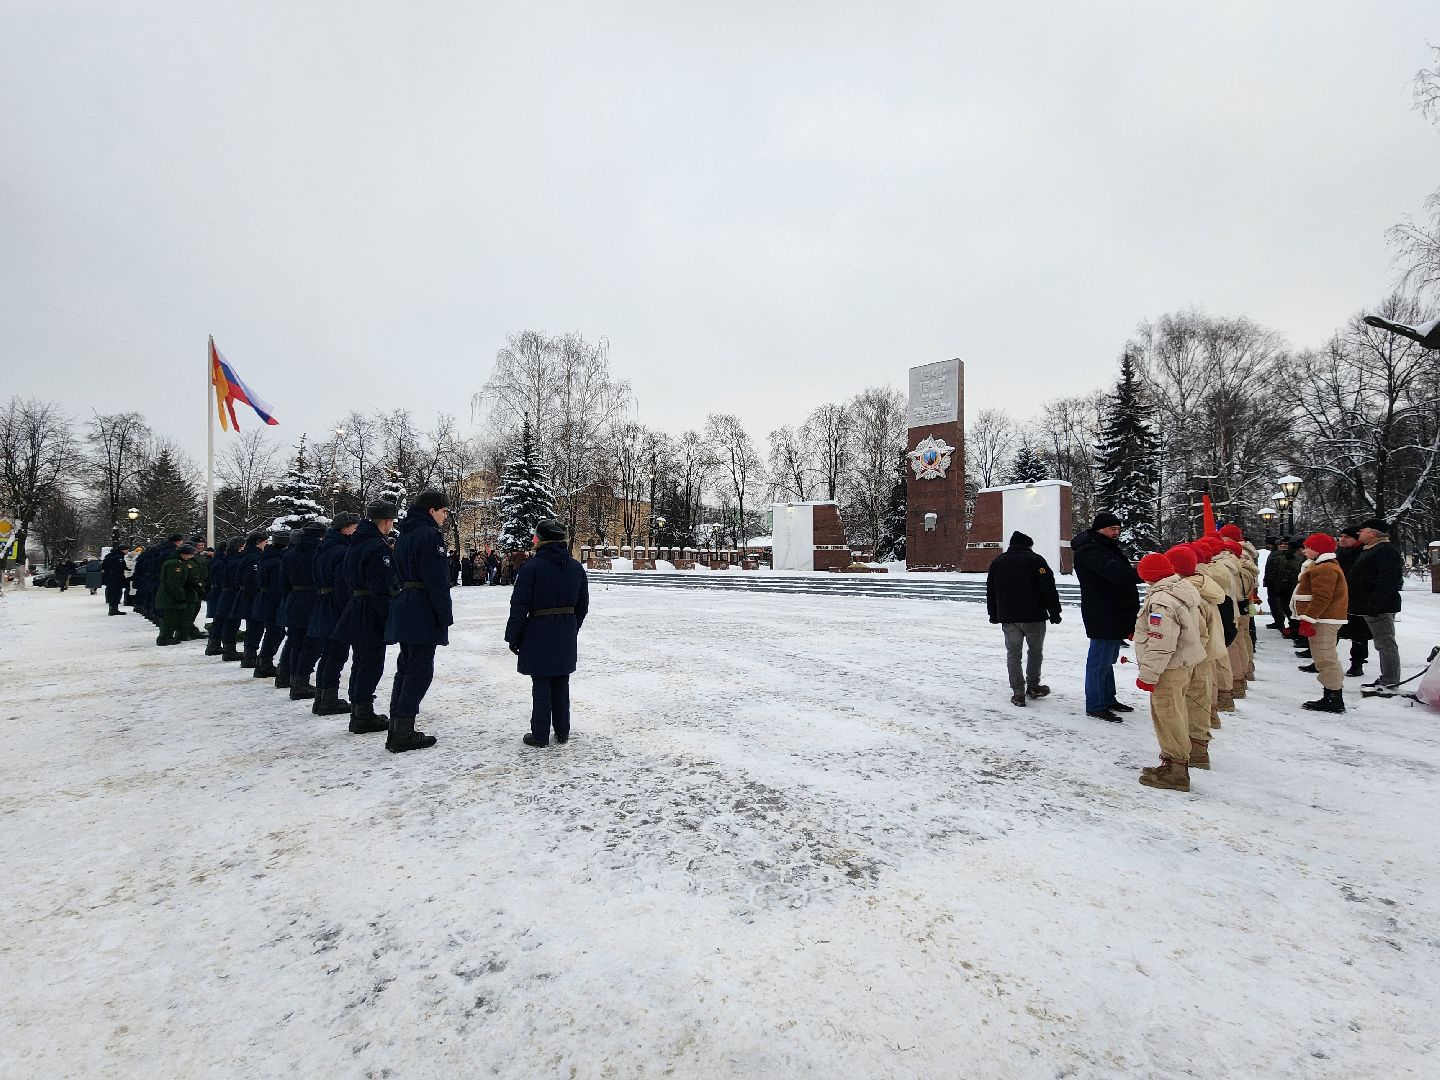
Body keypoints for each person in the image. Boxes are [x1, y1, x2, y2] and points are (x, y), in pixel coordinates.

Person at [506, 518, 589, 747]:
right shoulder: (575, 568)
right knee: (561, 681)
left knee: (541, 682)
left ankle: (540, 734)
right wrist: (572, 627)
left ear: (539, 540)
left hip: (537, 630)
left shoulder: (531, 568)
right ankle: (562, 732)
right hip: (565, 630)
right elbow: (582, 606)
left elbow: (519, 606)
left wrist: (514, 636)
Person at [384, 491, 453, 752]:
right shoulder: (429, 536)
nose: (445, 516)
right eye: (443, 511)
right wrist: (444, 615)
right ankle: (403, 731)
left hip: (407, 603)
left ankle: (397, 727)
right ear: (431, 511)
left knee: (406, 667)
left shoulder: (405, 535)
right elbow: (436, 579)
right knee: (419, 671)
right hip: (422, 606)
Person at [1132, 552, 1206, 793]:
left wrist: (1149, 675)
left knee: (1167, 714)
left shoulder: (1162, 600)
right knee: (1176, 711)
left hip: (1168, 667)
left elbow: (1162, 642)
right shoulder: (1180, 590)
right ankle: (1174, 762)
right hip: (1182, 663)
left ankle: (1176, 770)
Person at [333, 502, 399, 732]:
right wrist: (388, 616)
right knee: (371, 663)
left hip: (357, 605)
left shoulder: (355, 544)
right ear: (387, 521)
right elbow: (381, 585)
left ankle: (358, 710)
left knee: (361, 661)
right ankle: (363, 715)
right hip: (370, 610)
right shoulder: (376, 546)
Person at [1071, 511, 1141, 723]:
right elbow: (1116, 573)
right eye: (1112, 529)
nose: (1116, 533)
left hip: (1113, 611)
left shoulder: (1105, 546)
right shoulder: (1091, 550)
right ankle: (1095, 704)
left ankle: (1108, 699)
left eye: (1118, 529)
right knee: (1099, 661)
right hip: (1102, 612)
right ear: (1099, 529)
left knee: (1107, 660)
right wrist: (1146, 571)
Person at [984, 530, 1062, 707]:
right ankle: (1033, 686)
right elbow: (1048, 588)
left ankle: (1017, 692)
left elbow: (991, 591)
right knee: (1035, 652)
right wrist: (1055, 611)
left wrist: (993, 614)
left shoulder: (998, 562)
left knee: (1013, 654)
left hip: (1009, 617)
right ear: (1028, 545)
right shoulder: (1036, 560)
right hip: (1033, 616)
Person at [1170, 544, 1224, 770]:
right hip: (1205, 653)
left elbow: (1195, 632)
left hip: (1192, 656)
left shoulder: (1188, 594)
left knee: (1188, 700)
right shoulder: (1203, 586)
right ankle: (1199, 746)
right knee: (1198, 698)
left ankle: (1194, 749)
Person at [306, 513, 361, 709]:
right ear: (344, 528)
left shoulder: (323, 549)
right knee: (337, 654)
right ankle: (329, 698)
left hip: (323, 603)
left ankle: (321, 697)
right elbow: (343, 584)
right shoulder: (341, 551)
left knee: (328, 653)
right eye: (354, 527)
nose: (357, 531)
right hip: (336, 607)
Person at [1348, 517, 1406, 695]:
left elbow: (1387, 580)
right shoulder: (1371, 549)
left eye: (1362, 530)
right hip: (1370, 604)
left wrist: (1375, 603)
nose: (1359, 532)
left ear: (1373, 533)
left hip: (1380, 606)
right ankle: (1387, 678)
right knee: (1382, 643)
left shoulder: (1384, 551)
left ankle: (1389, 681)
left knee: (1385, 643)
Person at [1293, 532, 1349, 712]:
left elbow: (1322, 597)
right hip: (1322, 618)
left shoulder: (1325, 569)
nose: (1304, 551)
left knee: (1325, 657)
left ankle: (1333, 698)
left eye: (1308, 548)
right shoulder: (1322, 566)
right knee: (1324, 656)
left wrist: (1308, 619)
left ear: (1318, 550)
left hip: (1324, 619)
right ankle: (1331, 694)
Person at [275, 524, 325, 690]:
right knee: (312, 645)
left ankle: (287, 676)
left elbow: (282, 583)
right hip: (313, 600)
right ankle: (300, 682)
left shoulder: (289, 554)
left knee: (295, 642)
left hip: (294, 600)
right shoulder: (318, 553)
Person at [251, 530, 291, 679]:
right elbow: (277, 585)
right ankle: (265, 663)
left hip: (265, 598)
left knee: (273, 631)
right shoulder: (276, 561)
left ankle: (263, 661)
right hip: (272, 600)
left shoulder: (266, 557)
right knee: (275, 632)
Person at [1334, 527, 1372, 678]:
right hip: (1340, 597)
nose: (1342, 539)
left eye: (1347, 537)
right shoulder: (1340, 553)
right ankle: (1324, 658)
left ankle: (1357, 663)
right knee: (1333, 629)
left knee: (1359, 633)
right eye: (1341, 536)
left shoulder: (1364, 554)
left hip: (1358, 598)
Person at [155, 544, 202, 646]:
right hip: (170, 596)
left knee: (172, 617)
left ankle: (167, 636)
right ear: (184, 554)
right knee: (169, 618)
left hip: (170, 595)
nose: (192, 557)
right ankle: (164, 637)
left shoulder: (177, 562)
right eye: (190, 554)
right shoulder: (175, 564)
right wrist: (181, 597)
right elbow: (174, 583)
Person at [1262, 537, 1302, 632]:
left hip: (1286, 585)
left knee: (1287, 606)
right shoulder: (1275, 554)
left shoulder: (1291, 556)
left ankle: (1292, 626)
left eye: (1285, 544)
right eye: (1281, 544)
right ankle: (1280, 622)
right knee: (1275, 604)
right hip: (1274, 583)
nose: (1283, 546)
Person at [101, 546, 129, 616]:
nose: (128, 552)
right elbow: (118, 567)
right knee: (116, 593)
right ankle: (113, 610)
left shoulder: (110, 556)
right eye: (127, 550)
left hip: (110, 577)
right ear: (122, 550)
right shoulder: (118, 557)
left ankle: (113, 609)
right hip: (116, 578)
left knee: (113, 592)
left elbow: (104, 566)